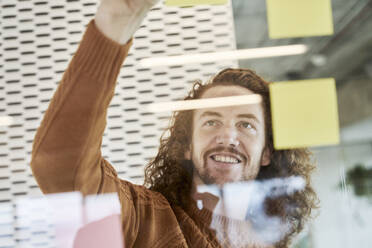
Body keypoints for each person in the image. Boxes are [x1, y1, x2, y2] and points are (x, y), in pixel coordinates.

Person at [30, 0, 318, 247]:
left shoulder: (271, 241)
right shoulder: (146, 221)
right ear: (187, 148)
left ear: (267, 152)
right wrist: (113, 26)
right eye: (211, 121)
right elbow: (60, 165)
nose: (228, 135)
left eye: (246, 125)